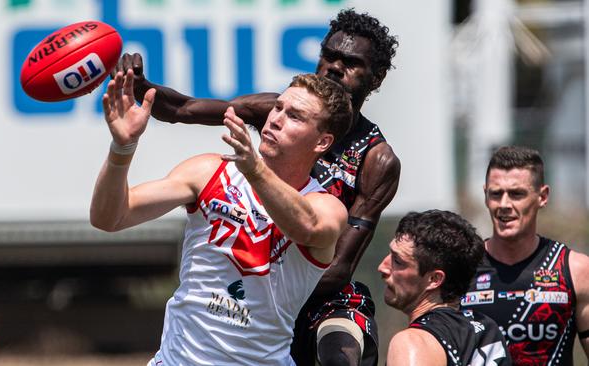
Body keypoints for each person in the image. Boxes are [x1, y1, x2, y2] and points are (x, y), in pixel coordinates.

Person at [113, 9, 401, 365]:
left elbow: (340, 266)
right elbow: (183, 108)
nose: (334, 67)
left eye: (351, 62)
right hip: (256, 280)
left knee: (340, 357)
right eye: (329, 55)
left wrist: (272, 300)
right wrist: (141, 89)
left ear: (377, 77)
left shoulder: (376, 159)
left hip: (319, 288)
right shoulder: (276, 111)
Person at [90, 71, 351, 364]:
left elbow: (308, 228)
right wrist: (122, 148)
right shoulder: (209, 171)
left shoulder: (326, 206)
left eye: (295, 117)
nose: (276, 119)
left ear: (322, 142)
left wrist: (255, 171)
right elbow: (109, 218)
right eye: (278, 107)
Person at [460, 146, 589, 364]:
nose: (504, 205)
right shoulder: (462, 268)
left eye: (517, 194)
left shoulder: (576, 270)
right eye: (496, 194)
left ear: (542, 196)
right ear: (485, 195)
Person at [378, 210, 511, 366]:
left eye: (398, 261)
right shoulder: (488, 330)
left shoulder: (412, 343)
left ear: (434, 279)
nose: (383, 267)